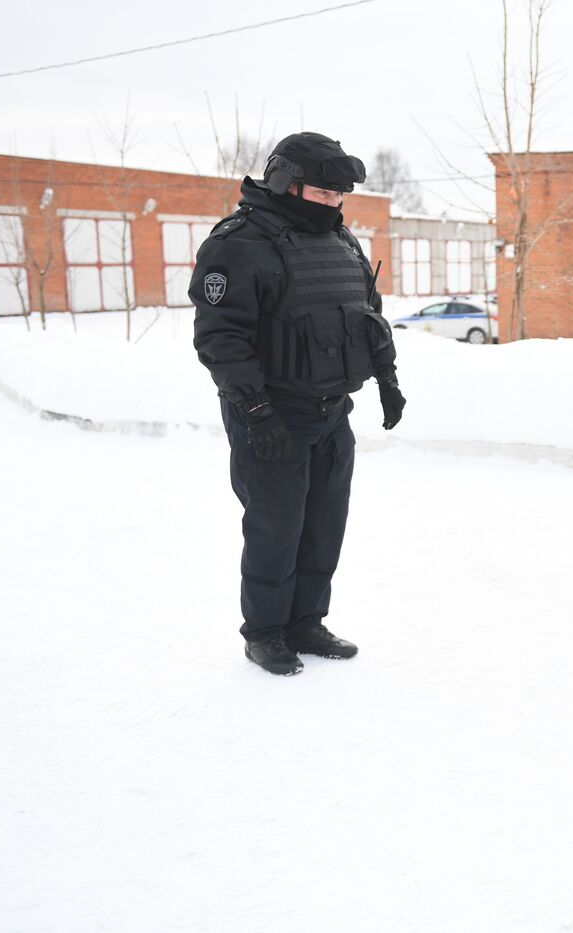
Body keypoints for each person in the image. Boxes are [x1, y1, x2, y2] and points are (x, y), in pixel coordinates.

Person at [190, 132, 406, 676]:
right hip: (272, 413)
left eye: (341, 196)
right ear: (286, 183)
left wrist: (387, 378)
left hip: (333, 412)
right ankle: (265, 632)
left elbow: (367, 314)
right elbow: (221, 340)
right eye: (324, 193)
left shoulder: (342, 242)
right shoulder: (238, 245)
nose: (335, 204)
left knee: (324, 524)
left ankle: (306, 621)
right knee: (275, 526)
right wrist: (255, 412)